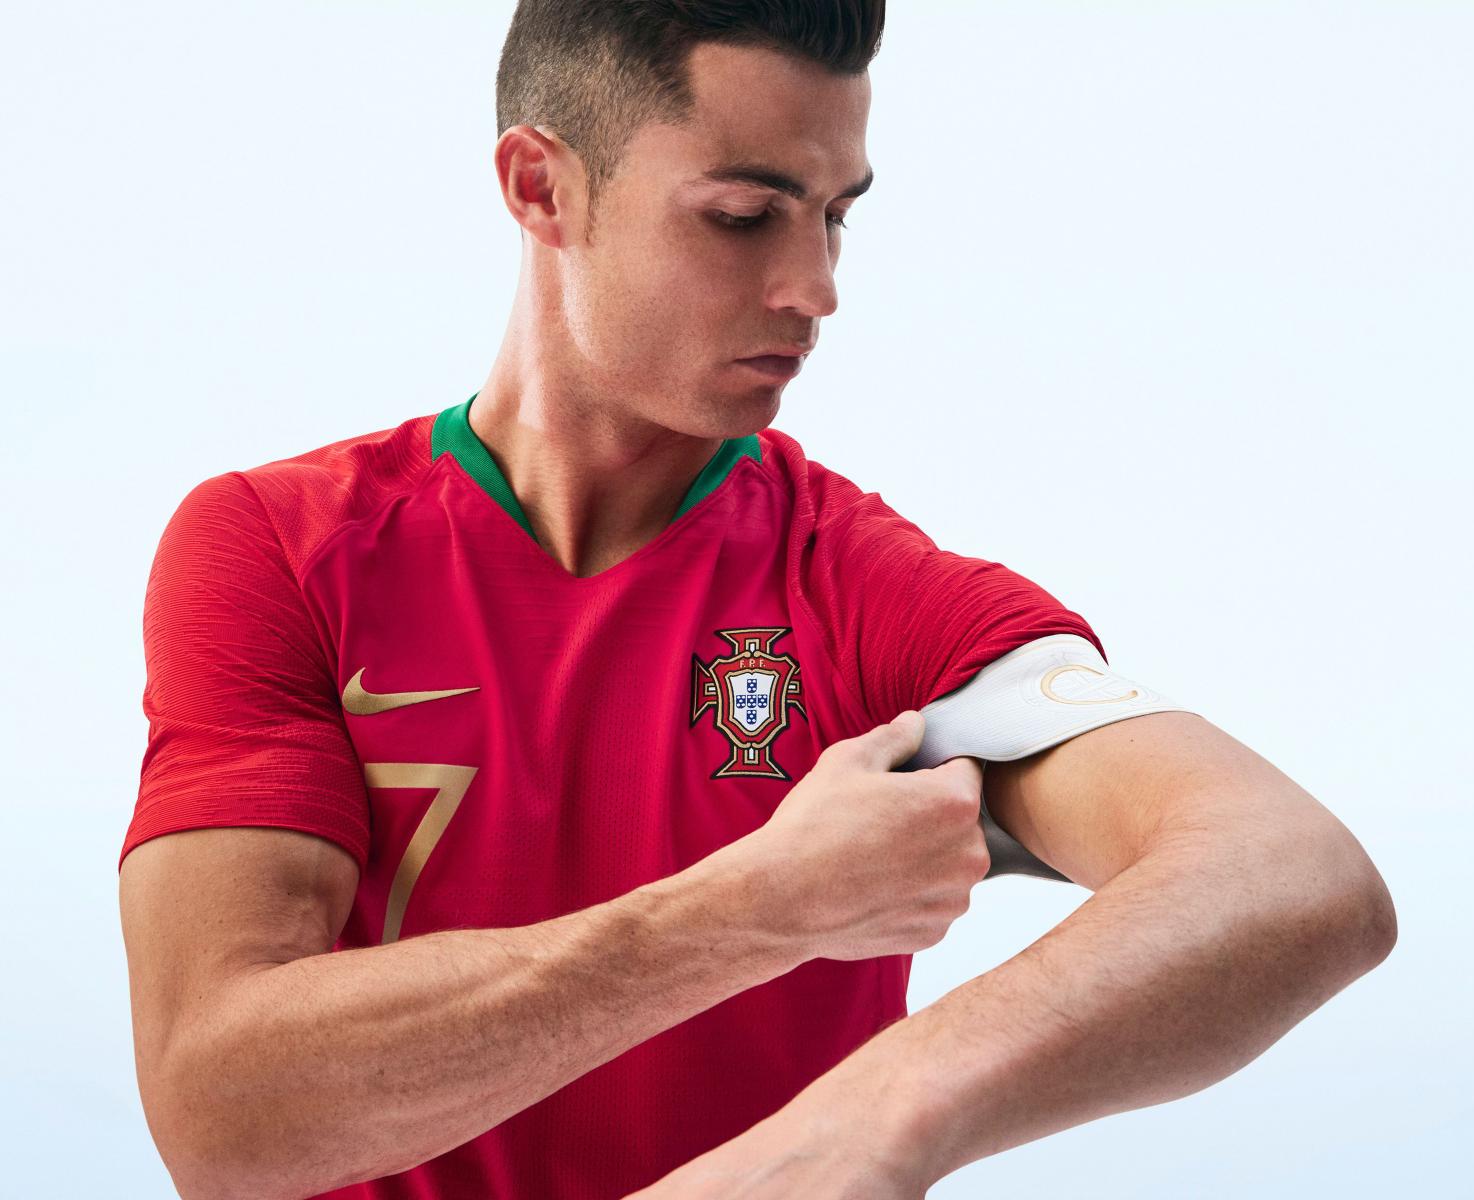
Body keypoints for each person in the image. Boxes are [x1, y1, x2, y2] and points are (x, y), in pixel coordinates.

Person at [117, 4, 1397, 1198]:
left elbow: (1289, 874)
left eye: (836, 215)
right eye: (743, 216)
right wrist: (759, 908)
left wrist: (873, 1123)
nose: (815, 287)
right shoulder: (278, 547)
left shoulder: (864, 587)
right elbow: (222, 1117)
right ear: (541, 187)